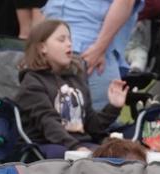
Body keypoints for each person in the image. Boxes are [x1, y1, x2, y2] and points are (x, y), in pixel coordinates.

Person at [16, 19, 128, 158]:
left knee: (122, 155)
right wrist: (76, 148)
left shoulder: (76, 80)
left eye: (69, 39)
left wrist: (114, 107)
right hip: (46, 146)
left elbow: (93, 127)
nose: (69, 43)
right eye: (61, 40)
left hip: (80, 145)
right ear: (42, 48)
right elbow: (48, 123)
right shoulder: (32, 83)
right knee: (91, 159)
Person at [42, 0, 140, 110]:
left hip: (89, 53)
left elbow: (125, 2)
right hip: (49, 49)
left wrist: (99, 48)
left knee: (96, 121)